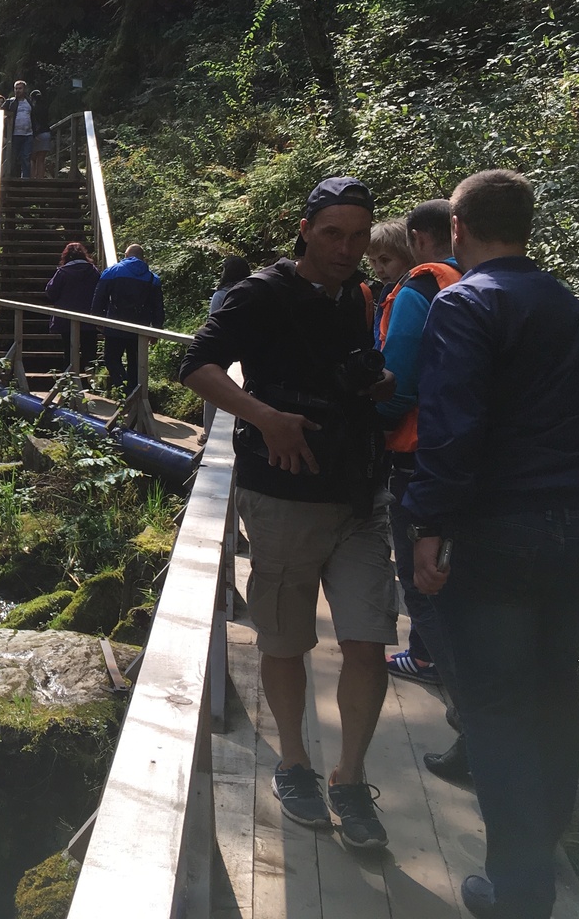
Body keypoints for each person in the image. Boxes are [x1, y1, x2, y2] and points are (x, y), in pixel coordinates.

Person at [179, 176, 397, 851]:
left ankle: (351, 779)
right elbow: (197, 363)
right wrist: (266, 417)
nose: (348, 248)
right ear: (304, 229)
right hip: (283, 494)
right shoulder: (261, 294)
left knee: (367, 642)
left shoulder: (357, 296)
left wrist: (375, 385)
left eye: (359, 236)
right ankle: (294, 762)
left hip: (358, 493)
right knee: (285, 640)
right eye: (333, 233)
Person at [407, 170, 579, 919]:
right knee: (554, 694)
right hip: (578, 528)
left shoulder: (464, 303)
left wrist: (431, 525)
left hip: (498, 533)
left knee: (496, 707)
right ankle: (539, 862)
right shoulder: (567, 304)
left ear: (458, 227)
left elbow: (452, 426)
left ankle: (518, 891)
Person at [374, 200, 463, 784]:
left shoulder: (418, 292)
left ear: (416, 241)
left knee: (421, 577)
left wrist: (370, 430)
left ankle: (447, 683)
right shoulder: (475, 286)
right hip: (466, 456)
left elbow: (398, 379)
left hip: (417, 454)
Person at [90, 243, 165, 393]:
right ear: (143, 258)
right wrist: (156, 330)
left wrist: (97, 319)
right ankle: (134, 393)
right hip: (140, 329)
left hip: (114, 325)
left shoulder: (112, 271)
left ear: (126, 256)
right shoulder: (152, 278)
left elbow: (99, 297)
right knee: (136, 364)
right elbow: (158, 307)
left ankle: (124, 391)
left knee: (111, 359)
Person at [202, 256, 252, 429]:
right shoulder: (251, 291)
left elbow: (214, 322)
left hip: (222, 348)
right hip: (247, 346)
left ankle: (209, 431)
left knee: (212, 388)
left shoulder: (221, 294)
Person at [44, 243, 99, 371]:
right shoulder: (93, 271)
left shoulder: (63, 272)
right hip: (89, 318)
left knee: (69, 350)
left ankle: (69, 378)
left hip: (66, 319)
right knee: (90, 352)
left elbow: (50, 292)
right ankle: (91, 380)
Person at [366, 220, 415, 301]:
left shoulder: (412, 294)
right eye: (373, 261)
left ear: (408, 256)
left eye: (385, 260)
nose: (378, 270)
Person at [4, 80, 38, 179]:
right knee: (13, 158)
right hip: (14, 134)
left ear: (24, 89)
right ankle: (13, 178)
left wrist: (35, 133)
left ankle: (25, 179)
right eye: (16, 88)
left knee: (26, 157)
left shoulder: (29, 102)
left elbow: (34, 117)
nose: (18, 90)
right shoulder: (10, 102)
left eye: (20, 88)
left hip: (28, 134)